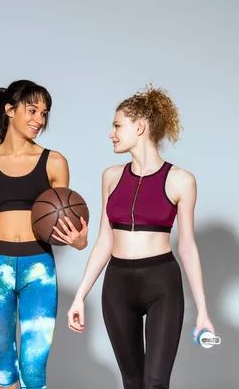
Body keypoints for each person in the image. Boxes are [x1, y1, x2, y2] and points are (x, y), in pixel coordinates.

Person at [67, 85, 216, 388]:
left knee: (155, 383)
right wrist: (80, 296)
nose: (111, 133)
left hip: (161, 283)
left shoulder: (181, 181)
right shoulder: (110, 176)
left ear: (140, 127)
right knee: (133, 383)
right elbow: (104, 241)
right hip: (117, 285)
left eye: (117, 125)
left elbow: (187, 245)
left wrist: (202, 310)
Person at [0, 79, 89, 389]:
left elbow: (64, 219)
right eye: (32, 110)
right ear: (9, 110)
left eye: (44, 113)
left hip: (39, 269)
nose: (39, 120)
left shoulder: (54, 162)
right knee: (3, 365)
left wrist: (79, 241)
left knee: (34, 366)